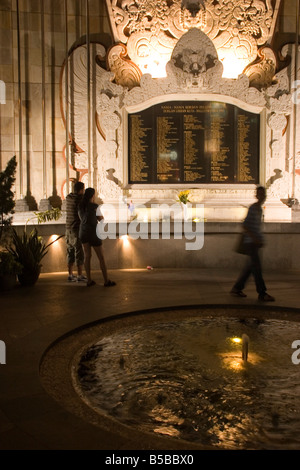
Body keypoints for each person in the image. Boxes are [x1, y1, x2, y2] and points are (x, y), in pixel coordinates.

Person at [230, 185, 275, 302]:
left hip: (254, 242)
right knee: (257, 268)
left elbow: (256, 227)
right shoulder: (254, 208)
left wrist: (259, 239)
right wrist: (255, 238)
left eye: (263, 194)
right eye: (260, 194)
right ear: (256, 196)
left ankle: (236, 288)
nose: (262, 197)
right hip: (251, 243)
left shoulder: (259, 209)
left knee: (250, 268)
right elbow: (245, 225)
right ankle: (262, 293)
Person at [78, 187, 116, 287]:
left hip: (83, 232)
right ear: (93, 196)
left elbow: (82, 218)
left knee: (87, 256)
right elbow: (101, 219)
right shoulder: (95, 206)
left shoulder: (80, 206)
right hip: (93, 233)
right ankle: (106, 280)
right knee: (101, 257)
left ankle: (89, 280)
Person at [65, 181, 86, 282]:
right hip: (76, 229)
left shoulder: (68, 198)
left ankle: (70, 274)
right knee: (79, 252)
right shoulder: (80, 199)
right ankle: (79, 275)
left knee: (70, 251)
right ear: (81, 190)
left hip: (68, 229)